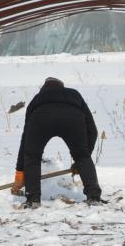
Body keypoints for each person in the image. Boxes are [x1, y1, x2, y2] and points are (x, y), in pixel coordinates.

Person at [10, 77, 104, 208]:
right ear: (63, 88)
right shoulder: (74, 94)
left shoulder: (37, 99)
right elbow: (92, 131)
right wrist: (82, 158)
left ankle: (33, 200)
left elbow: (25, 142)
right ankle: (94, 197)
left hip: (40, 118)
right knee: (82, 155)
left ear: (44, 89)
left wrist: (20, 172)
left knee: (32, 156)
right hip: (72, 118)